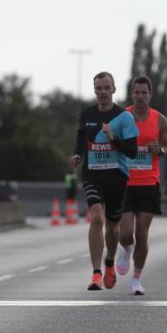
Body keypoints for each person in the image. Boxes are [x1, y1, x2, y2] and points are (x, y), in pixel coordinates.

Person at [69, 72, 138, 291]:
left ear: (114, 90)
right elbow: (81, 140)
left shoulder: (124, 117)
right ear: (95, 91)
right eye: (98, 89)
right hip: (93, 174)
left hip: (117, 176)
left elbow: (133, 152)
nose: (102, 93)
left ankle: (110, 262)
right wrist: (78, 155)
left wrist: (113, 138)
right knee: (96, 219)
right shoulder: (87, 114)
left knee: (113, 227)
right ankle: (96, 273)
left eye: (106, 88)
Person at [116, 76, 167, 295]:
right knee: (126, 234)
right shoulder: (122, 117)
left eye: (144, 93)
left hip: (149, 183)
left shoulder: (159, 120)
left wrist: (159, 150)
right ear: (132, 94)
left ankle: (136, 279)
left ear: (150, 95)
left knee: (142, 233)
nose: (140, 97)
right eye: (137, 92)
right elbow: (109, 142)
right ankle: (125, 249)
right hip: (125, 182)